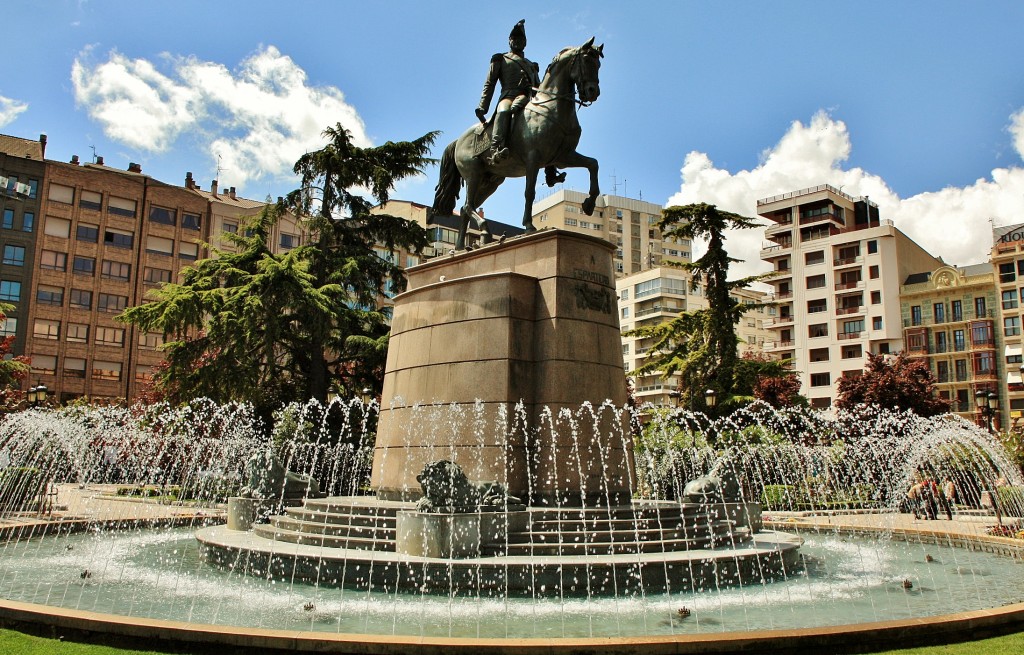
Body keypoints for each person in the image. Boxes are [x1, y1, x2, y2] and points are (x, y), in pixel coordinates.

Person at [476, 19, 540, 163]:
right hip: (508, 96)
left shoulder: (532, 65)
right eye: (514, 38)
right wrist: (483, 106)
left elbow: (539, 88)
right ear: (509, 41)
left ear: (525, 42)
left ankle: (551, 167)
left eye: (521, 39)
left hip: (528, 99)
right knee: (504, 110)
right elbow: (490, 83)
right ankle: (496, 149)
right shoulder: (501, 59)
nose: (517, 41)